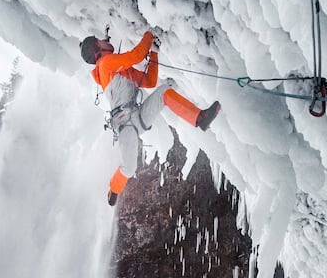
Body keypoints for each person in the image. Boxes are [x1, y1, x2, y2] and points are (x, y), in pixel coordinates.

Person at [80, 30, 221, 206]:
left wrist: (153, 52)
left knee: (164, 93)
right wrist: (149, 34)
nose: (104, 40)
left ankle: (200, 118)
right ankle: (114, 189)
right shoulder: (105, 63)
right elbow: (136, 55)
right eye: (99, 41)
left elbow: (149, 81)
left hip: (136, 118)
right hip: (126, 127)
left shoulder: (121, 70)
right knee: (129, 168)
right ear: (96, 50)